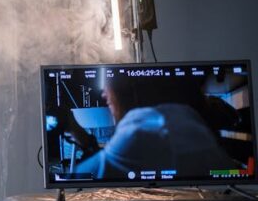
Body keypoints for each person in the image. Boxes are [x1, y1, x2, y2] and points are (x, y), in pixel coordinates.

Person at [75, 76, 240, 179]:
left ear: (133, 89)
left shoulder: (141, 131)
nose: (103, 93)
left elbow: (82, 175)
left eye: (108, 80)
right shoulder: (191, 128)